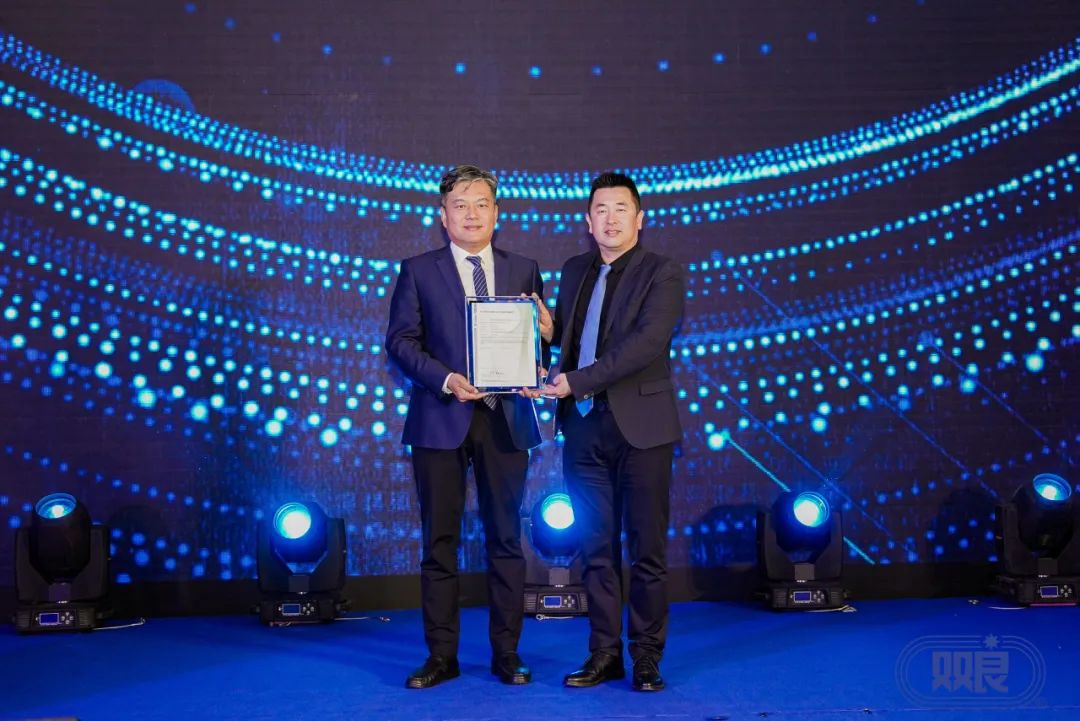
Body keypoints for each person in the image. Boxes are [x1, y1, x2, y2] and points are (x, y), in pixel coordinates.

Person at [386, 165, 548, 689]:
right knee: (440, 542)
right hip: (440, 419)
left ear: (496, 213)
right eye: (460, 204)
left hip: (506, 420)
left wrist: (541, 353)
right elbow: (400, 341)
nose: (471, 214)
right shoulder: (417, 270)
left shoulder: (524, 269)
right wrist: (447, 379)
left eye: (481, 203)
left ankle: (507, 654)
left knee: (506, 539)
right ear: (443, 215)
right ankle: (441, 656)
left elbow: (537, 342)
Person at [537, 171, 684, 691]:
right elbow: (575, 338)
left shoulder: (662, 272)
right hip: (583, 428)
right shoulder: (575, 270)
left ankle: (646, 656)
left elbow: (645, 345)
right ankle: (604, 654)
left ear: (639, 219)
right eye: (601, 209)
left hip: (643, 430)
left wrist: (574, 381)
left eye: (621, 209)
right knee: (595, 549)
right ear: (588, 220)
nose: (611, 218)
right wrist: (548, 334)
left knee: (647, 550)